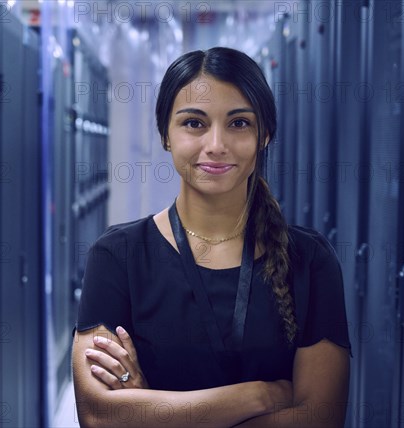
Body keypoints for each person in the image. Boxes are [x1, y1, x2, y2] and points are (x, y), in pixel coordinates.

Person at [71, 46, 351, 427]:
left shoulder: (310, 260)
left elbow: (319, 419)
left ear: (264, 135)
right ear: (165, 135)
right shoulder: (116, 257)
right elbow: (100, 417)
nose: (216, 145)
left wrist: (153, 408)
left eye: (238, 123)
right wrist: (260, 395)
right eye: (194, 123)